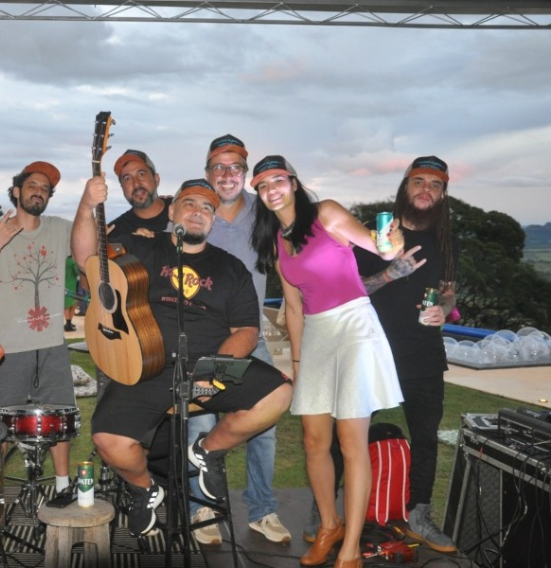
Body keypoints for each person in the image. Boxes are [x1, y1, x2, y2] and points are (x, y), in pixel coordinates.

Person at [73, 176, 293, 537]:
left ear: (213, 221)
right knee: (108, 440)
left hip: (207, 367)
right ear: (172, 210)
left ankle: (206, 450)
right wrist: (85, 206)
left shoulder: (231, 267)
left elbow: (246, 332)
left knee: (279, 393)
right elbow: (86, 259)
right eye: (190, 203)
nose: (198, 212)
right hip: (148, 366)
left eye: (207, 207)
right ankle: (146, 489)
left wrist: (216, 372)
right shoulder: (139, 249)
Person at [250, 156, 404, 568]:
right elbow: (294, 307)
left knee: (351, 444)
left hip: (354, 327)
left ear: (294, 182)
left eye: (277, 180)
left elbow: (380, 246)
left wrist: (393, 239)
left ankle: (350, 547)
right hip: (315, 334)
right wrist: (298, 363)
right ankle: (329, 525)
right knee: (314, 441)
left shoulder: (327, 213)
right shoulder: (278, 242)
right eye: (262, 185)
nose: (271, 190)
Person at [187, 134, 290, 546]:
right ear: (208, 172)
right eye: (219, 167)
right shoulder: (198, 213)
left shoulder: (263, 212)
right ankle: (202, 509)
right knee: (202, 422)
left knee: (263, 427)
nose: (227, 175)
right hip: (207, 340)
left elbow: (290, 263)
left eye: (235, 168)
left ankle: (262, 510)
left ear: (245, 175)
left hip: (255, 338)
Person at [354, 156, 459, 552]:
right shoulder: (373, 236)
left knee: (426, 437)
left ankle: (420, 514)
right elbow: (352, 291)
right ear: (405, 186)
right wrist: (389, 273)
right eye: (418, 181)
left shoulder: (448, 240)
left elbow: (448, 292)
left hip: (424, 356)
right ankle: (324, 510)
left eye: (434, 184)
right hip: (373, 352)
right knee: (347, 435)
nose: (425, 189)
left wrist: (444, 310)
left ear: (443, 193)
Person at [0, 161, 75, 492]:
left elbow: (91, 241)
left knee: (62, 417)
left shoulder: (60, 228)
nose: (39, 191)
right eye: (33, 185)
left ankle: (62, 485)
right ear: (16, 191)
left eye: (45, 188)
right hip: (7, 349)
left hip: (53, 345)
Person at [107, 149, 172, 240]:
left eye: (141, 174)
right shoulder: (114, 233)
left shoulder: (185, 210)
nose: (136, 184)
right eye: (127, 178)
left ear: (156, 179)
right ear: (122, 188)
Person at [64, 255, 80, 332]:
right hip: (72, 284)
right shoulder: (73, 262)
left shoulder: (64, 260)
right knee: (73, 304)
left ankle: (68, 322)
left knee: (67, 304)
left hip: (64, 284)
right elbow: (77, 272)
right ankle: (68, 323)